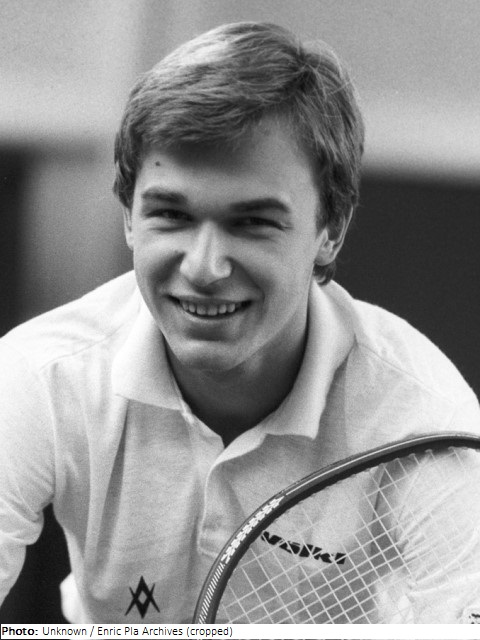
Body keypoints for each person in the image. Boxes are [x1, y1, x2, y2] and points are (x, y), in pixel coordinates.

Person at [1, 21, 479, 624]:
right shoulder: (37, 376)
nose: (203, 267)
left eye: (252, 223)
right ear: (128, 218)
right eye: (170, 214)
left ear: (331, 230)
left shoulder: (426, 418)